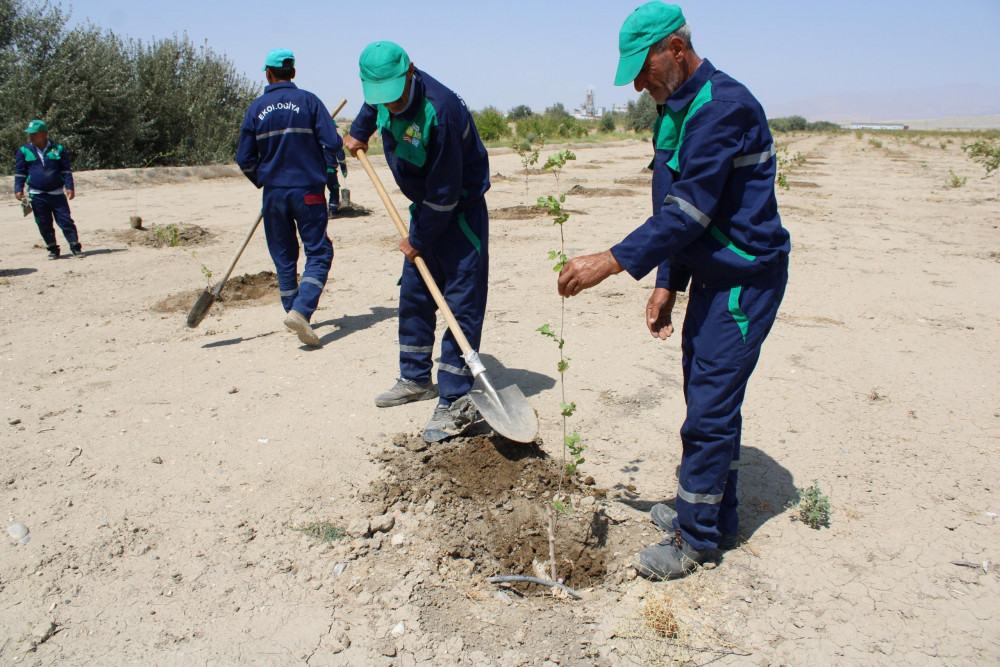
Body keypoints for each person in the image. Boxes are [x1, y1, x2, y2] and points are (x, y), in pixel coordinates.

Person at [557, 2, 790, 580]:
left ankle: (697, 539)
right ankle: (711, 511)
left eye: (644, 67)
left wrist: (611, 261)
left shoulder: (724, 108)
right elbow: (674, 205)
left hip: (742, 282)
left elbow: (688, 212)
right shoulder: (675, 109)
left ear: (676, 50)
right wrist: (667, 281)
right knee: (707, 401)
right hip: (710, 277)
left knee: (708, 412)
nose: (638, 83)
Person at [344, 41, 490, 443]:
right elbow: (371, 108)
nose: (387, 106)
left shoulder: (439, 112)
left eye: (393, 97)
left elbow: (445, 193)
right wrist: (358, 134)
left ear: (410, 72)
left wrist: (419, 239)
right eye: (379, 98)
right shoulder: (382, 95)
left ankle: (454, 397)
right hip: (425, 207)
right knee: (415, 294)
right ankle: (414, 378)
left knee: (461, 302)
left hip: (458, 212)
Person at [236, 48, 343, 347]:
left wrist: (265, 179)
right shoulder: (309, 100)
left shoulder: (255, 108)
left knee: (284, 257)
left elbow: (244, 158)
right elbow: (333, 142)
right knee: (319, 253)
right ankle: (301, 310)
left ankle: (293, 311)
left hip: (273, 195)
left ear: (268, 74)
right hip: (308, 192)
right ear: (293, 73)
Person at [14, 120, 82, 259]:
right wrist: (18, 188)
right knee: (43, 223)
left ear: (44, 134)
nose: (31, 136)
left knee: (65, 220)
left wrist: (69, 187)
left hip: (56, 193)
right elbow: (20, 172)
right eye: (30, 134)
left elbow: (65, 170)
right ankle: (52, 248)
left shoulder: (58, 149)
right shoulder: (24, 151)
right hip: (37, 195)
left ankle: (74, 245)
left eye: (34, 134)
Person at [327, 143, 347, 218]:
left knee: (318, 191)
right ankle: (333, 210)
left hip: (317, 171)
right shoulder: (334, 140)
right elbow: (341, 158)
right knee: (334, 189)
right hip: (330, 171)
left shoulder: (316, 138)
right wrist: (344, 169)